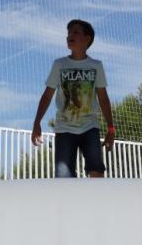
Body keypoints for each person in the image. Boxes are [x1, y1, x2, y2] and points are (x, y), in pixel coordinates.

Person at [30, 19, 115, 178]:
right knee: (63, 175)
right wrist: (37, 122)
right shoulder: (59, 64)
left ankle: (96, 202)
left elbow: (103, 98)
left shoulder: (96, 66)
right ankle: (68, 203)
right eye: (68, 33)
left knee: (96, 169)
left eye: (75, 32)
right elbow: (47, 95)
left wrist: (111, 128)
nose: (70, 35)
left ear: (87, 39)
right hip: (64, 128)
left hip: (90, 127)